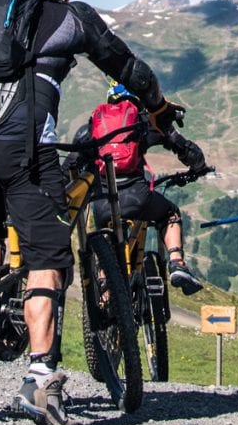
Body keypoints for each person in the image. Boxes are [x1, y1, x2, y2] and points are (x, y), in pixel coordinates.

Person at [0, 0, 187, 425]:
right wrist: (158, 108)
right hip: (25, 155)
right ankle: (41, 381)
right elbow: (130, 70)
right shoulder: (70, 19)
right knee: (48, 259)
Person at [72, 82, 208, 295]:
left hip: (102, 204)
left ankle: (105, 295)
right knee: (170, 213)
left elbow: (71, 164)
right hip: (137, 196)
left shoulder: (92, 127)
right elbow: (185, 149)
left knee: (105, 243)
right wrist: (198, 168)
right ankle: (176, 263)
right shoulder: (146, 123)